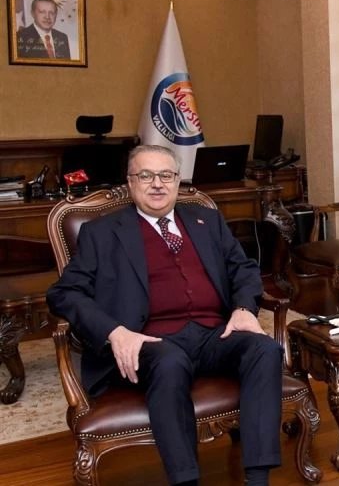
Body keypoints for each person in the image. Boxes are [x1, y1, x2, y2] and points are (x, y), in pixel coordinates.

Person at [47, 145, 282, 486]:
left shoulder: (206, 220)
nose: (157, 184)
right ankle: (186, 480)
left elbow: (243, 269)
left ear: (177, 181)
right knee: (170, 361)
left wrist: (244, 308)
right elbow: (64, 293)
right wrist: (115, 332)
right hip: (150, 340)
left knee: (265, 349)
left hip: (212, 334)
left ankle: (258, 478)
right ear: (130, 182)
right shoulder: (101, 233)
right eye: (146, 175)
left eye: (166, 175)